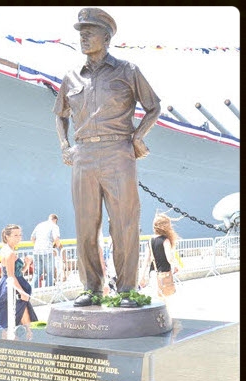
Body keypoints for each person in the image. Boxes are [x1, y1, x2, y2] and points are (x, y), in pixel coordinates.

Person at [53, 7, 161, 307]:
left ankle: (126, 289)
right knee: (86, 225)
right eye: (80, 32)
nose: (83, 36)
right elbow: (60, 115)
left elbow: (154, 107)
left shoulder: (128, 70)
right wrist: (64, 145)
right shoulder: (71, 76)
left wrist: (138, 137)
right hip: (83, 155)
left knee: (124, 223)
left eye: (90, 31)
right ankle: (92, 288)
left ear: (107, 36)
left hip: (118, 152)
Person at [0, 224, 38, 331]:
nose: (19, 238)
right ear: (7, 236)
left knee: (21, 315)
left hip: (13, 287)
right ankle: (29, 339)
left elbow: (18, 273)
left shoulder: (7, 250)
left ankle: (28, 339)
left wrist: (27, 264)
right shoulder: (9, 253)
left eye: (20, 235)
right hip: (12, 289)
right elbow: (11, 276)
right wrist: (22, 292)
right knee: (15, 317)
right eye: (15, 235)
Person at [139, 213, 180, 300]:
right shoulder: (165, 240)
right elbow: (170, 258)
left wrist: (142, 276)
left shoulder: (150, 241)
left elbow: (145, 261)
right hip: (164, 274)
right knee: (166, 299)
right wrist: (175, 265)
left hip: (153, 274)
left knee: (156, 299)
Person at [31, 214, 60, 288]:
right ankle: (48, 290)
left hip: (36, 251)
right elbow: (56, 238)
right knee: (50, 272)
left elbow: (32, 238)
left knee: (37, 272)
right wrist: (57, 246)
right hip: (47, 251)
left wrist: (39, 245)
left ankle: (33, 291)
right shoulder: (54, 226)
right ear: (55, 220)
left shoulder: (40, 225)